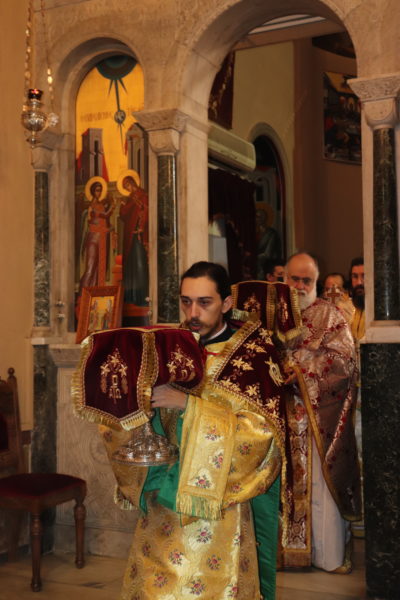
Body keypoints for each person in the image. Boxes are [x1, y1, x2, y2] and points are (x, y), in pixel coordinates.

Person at [100, 261, 291, 600]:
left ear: (226, 303)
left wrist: (189, 406)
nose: (193, 313)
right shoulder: (166, 345)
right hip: (163, 496)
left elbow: (261, 435)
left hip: (218, 508)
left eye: (204, 303)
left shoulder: (254, 355)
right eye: (186, 302)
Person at [280, 252, 361, 572]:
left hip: (316, 417)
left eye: (307, 280)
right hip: (280, 416)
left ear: (316, 282)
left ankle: (325, 555)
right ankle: (286, 554)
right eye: (294, 279)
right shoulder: (272, 315)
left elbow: (344, 361)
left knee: (319, 488)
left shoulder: (330, 315)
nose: (300, 286)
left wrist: (301, 371)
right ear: (284, 278)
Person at [348, 256, 365, 538]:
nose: (360, 282)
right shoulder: (346, 313)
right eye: (355, 277)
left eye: (364, 276)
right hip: (352, 399)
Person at [118, 171, 149, 318]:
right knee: (131, 264)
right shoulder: (130, 198)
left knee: (139, 263)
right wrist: (122, 206)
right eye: (125, 187)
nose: (127, 188)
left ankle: (141, 296)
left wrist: (141, 227)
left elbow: (145, 210)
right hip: (130, 234)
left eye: (128, 185)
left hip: (138, 233)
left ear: (133, 183)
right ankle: (131, 296)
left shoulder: (142, 195)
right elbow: (124, 215)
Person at [79, 177, 115, 291]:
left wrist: (109, 228)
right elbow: (105, 215)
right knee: (90, 267)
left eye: (100, 190)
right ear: (92, 191)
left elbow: (104, 220)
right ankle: (83, 293)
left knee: (99, 268)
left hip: (101, 238)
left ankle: (95, 292)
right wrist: (112, 205)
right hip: (93, 238)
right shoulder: (93, 205)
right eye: (97, 190)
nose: (99, 193)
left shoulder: (100, 205)